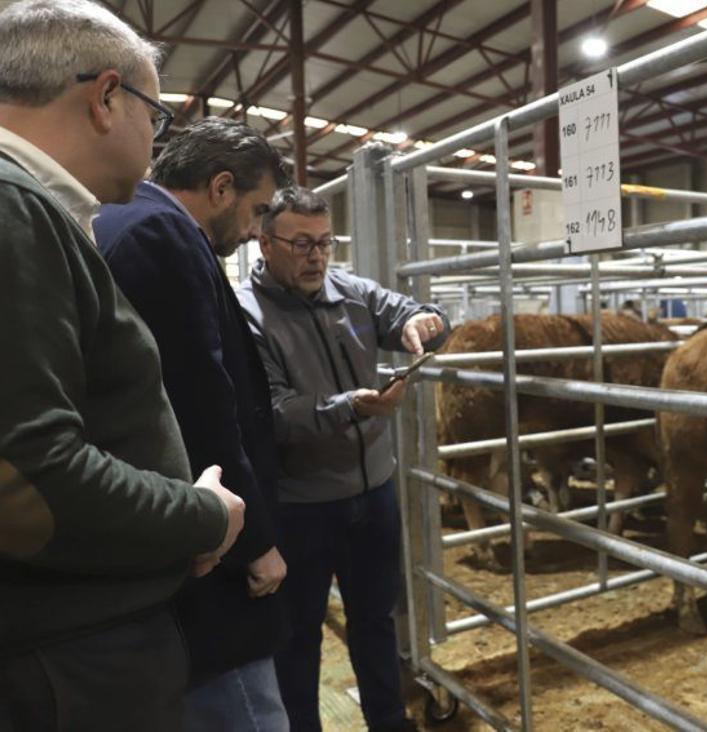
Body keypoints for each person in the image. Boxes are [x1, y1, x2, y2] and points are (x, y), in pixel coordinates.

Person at [0, 1, 245, 730]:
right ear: (107, 98)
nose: (155, 138)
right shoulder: (15, 209)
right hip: (69, 662)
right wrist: (197, 518)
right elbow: (27, 477)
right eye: (156, 115)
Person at [93, 117, 291, 731]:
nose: (256, 229)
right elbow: (200, 403)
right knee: (242, 707)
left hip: (161, 529)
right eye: (257, 210)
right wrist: (253, 541)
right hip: (204, 538)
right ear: (222, 186)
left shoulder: (121, 221)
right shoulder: (160, 234)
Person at [238, 187, 449, 732]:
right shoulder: (247, 314)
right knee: (299, 636)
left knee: (376, 622)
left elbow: (417, 312)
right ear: (265, 242)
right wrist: (350, 407)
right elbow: (274, 414)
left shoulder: (351, 292)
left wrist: (422, 323)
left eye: (325, 243)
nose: (317, 256)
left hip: (373, 492)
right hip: (301, 505)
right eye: (302, 243)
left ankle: (388, 722)